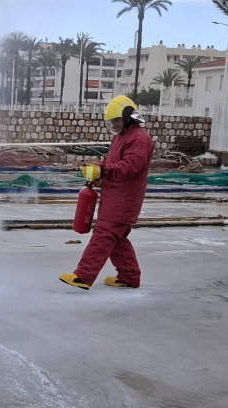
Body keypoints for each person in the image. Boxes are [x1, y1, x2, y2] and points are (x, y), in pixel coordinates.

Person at [60, 95, 154, 290]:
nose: (114, 124)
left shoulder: (139, 139)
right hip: (113, 195)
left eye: (117, 120)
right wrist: (97, 169)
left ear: (129, 116)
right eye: (112, 121)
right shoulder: (121, 137)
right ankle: (129, 276)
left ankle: (83, 276)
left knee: (104, 235)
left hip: (124, 199)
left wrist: (104, 170)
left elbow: (130, 166)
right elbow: (113, 164)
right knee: (117, 239)